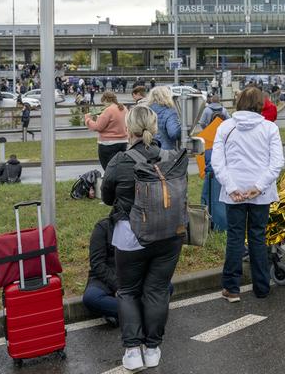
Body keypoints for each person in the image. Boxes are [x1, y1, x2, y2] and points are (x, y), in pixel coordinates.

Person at [101, 105, 184, 371]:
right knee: (157, 290)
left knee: (127, 291)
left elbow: (106, 198)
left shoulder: (119, 161)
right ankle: (152, 348)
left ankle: (133, 351)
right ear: (155, 127)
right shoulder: (171, 157)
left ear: (128, 129)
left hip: (131, 235)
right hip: (170, 234)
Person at [210, 86, 284, 302]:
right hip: (260, 192)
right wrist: (259, 186)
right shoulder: (270, 128)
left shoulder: (225, 127)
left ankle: (232, 288)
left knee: (234, 237)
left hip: (234, 191)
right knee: (257, 237)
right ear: (261, 104)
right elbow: (276, 162)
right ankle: (261, 287)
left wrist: (231, 187)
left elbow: (217, 161)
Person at [82, 217, 119, 326]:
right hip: (104, 278)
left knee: (165, 286)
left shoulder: (141, 224)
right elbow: (97, 264)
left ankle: (120, 314)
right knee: (91, 298)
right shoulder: (103, 226)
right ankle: (142, 311)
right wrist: (118, 286)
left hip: (132, 277)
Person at [84, 91, 129, 171]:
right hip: (123, 142)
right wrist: (99, 118)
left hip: (108, 144)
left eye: (103, 103)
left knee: (109, 169)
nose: (104, 105)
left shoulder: (108, 110)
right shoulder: (124, 109)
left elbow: (98, 127)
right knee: (120, 169)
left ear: (105, 100)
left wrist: (88, 119)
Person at [146, 86, 181, 151]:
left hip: (148, 150)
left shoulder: (146, 111)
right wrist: (182, 126)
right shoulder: (170, 112)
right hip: (166, 151)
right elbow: (174, 133)